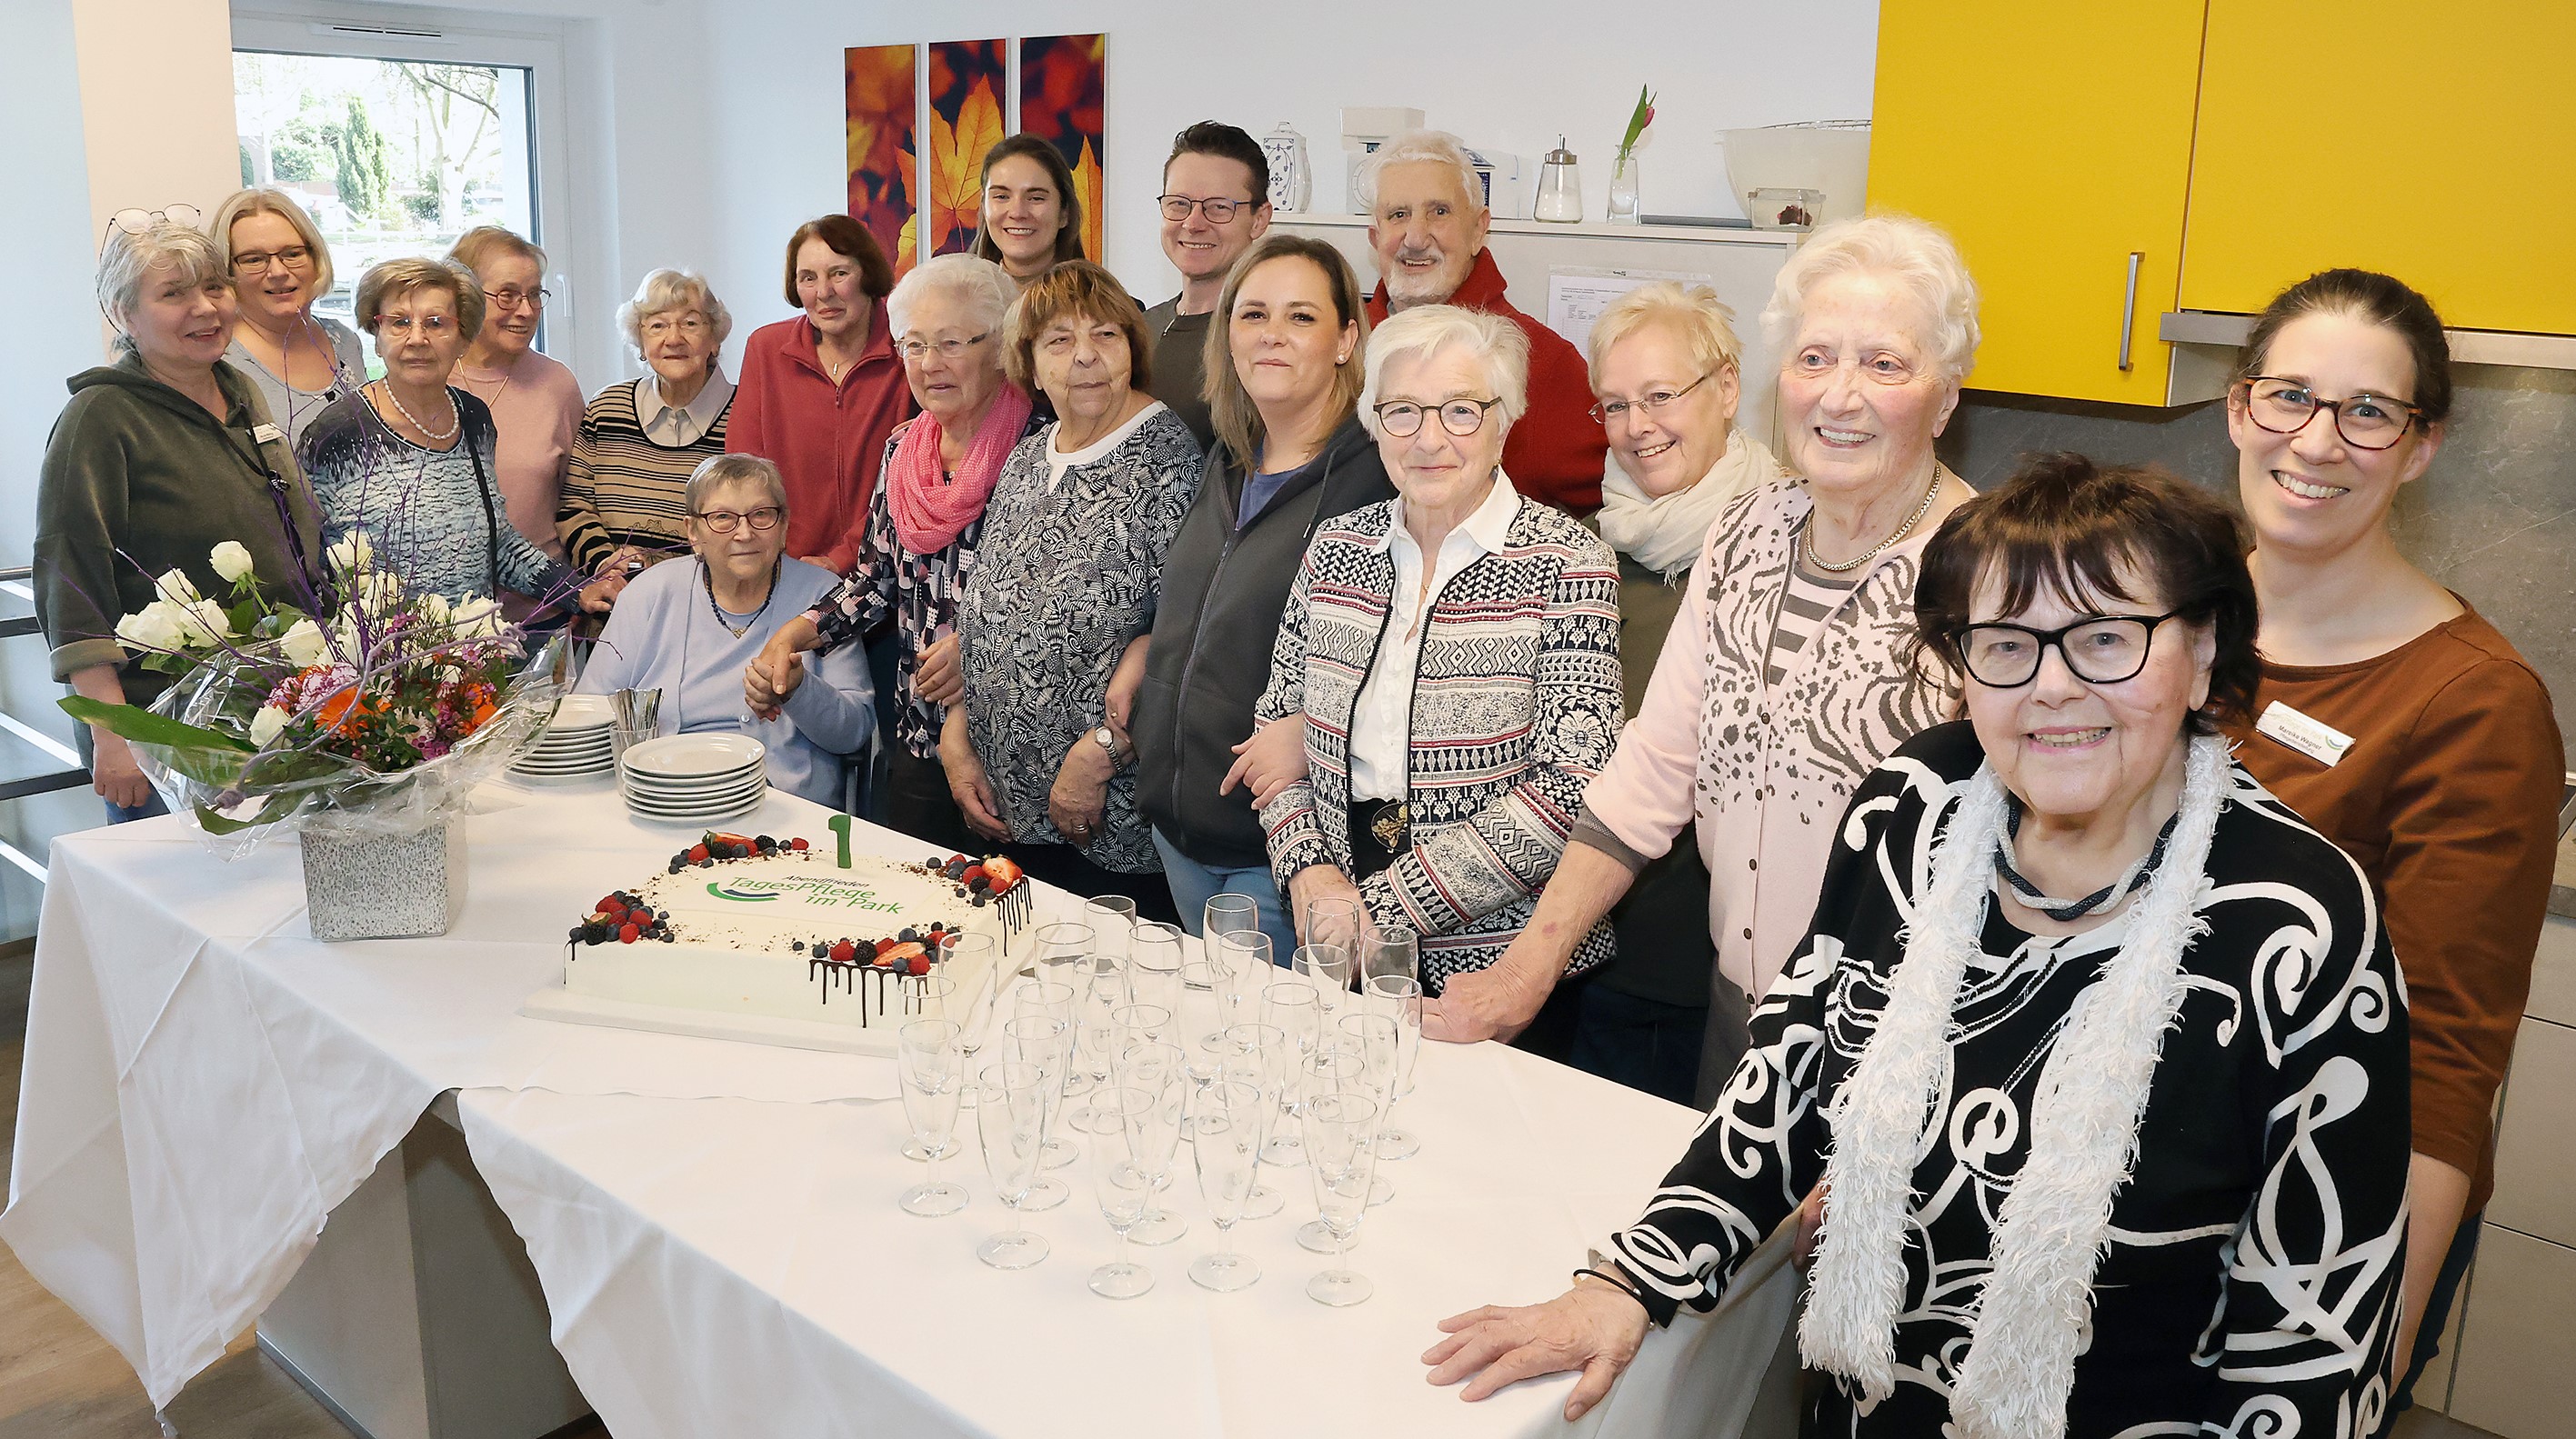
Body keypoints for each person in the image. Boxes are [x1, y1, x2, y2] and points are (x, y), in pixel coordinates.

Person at [1427, 455, 2411, 1437]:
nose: (2052, 688)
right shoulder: (1915, 804)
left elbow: (2312, 1331)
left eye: (2106, 638)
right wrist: (1630, 1281)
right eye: (2005, 644)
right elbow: (1793, 1068)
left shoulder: (2299, 921)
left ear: (2200, 651)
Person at [1428, 215, 1974, 1098]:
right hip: (1735, 1022)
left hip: (1896, 1048)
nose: (1839, 395)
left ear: (1945, 396)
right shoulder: (1746, 531)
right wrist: (1526, 968)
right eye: (1813, 358)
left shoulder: (1991, 573)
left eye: (1883, 363)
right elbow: (1653, 770)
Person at [2216, 268, 2562, 1409]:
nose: (2318, 440)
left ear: (2419, 446)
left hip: (2313, 1215)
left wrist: (2360, 1345)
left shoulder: (2472, 703)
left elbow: (2445, 1057)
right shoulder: (2169, 619)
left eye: (2368, 411)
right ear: (2238, 406)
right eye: (2289, 396)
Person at [1254, 305, 1622, 1033]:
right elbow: (1276, 728)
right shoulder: (1335, 547)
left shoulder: (1568, 562)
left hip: (1500, 966)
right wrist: (1311, 873)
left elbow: (1575, 783)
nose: (1429, 439)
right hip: (1337, 942)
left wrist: (1379, 907)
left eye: (1460, 410)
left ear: (1504, 419)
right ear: (1372, 421)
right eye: (1402, 411)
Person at [1129, 235, 1388, 965]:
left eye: (1301, 317)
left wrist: (1310, 723)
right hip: (1179, 830)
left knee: (1271, 1057)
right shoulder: (1225, 459)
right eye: (1253, 315)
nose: (1272, 333)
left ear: (1344, 340)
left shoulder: (1384, 475)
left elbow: (1427, 660)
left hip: (1281, 853)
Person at [1565, 282, 1781, 1104]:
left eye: (1660, 396)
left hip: (1714, 975)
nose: (1637, 427)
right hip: (1589, 944)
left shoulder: (1784, 542)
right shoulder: (1588, 545)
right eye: (1614, 405)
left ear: (1726, 389)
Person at [38, 215, 323, 821]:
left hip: (275, 713)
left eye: (214, 287)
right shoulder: (100, 416)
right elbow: (72, 582)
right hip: (166, 733)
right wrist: (112, 733)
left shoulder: (242, 391)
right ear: (124, 314)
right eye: (174, 293)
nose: (205, 308)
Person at [749, 255, 1037, 854]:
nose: (929, 364)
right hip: (917, 739)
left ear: (1001, 344)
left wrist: (980, 649)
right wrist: (792, 634)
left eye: (952, 343)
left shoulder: (1041, 448)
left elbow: (1057, 601)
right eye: (913, 345)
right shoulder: (903, 447)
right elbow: (872, 583)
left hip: (1015, 745)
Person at [944, 262, 1199, 917]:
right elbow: (993, 610)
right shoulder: (1032, 453)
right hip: (1009, 810)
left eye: (1106, 335)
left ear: (1131, 350)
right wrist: (960, 731)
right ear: (1027, 361)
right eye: (1058, 340)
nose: (1084, 356)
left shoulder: (1170, 459)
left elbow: (1185, 640)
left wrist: (1100, 755)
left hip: (1108, 820)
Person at [299, 259, 599, 610]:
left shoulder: (474, 418)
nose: (417, 339)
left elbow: (496, 543)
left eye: (436, 323)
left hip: (476, 654)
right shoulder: (336, 435)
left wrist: (575, 591)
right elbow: (313, 568)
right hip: (384, 657)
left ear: (462, 339)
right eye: (399, 323)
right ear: (377, 338)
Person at [582, 455, 871, 807]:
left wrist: (799, 690)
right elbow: (589, 712)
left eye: (761, 515)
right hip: (665, 798)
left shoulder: (824, 598)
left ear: (784, 526)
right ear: (693, 532)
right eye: (723, 518)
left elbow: (854, 733)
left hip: (783, 808)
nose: (744, 533)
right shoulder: (649, 594)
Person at [1359, 130, 1607, 516]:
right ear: (1375, 237)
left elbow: (1615, 505)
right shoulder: (1338, 347)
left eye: (1439, 212)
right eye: (1398, 215)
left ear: (1479, 230)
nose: (1415, 236)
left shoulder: (1544, 362)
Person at [727, 215, 914, 573]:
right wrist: (783, 562)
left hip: (886, 569)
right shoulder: (767, 349)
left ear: (868, 275)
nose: (823, 292)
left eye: (839, 273)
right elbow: (743, 468)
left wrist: (840, 558)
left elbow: (910, 477)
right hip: (785, 569)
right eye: (808, 278)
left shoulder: (907, 351)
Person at [556, 268, 735, 579]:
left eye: (690, 323)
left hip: (713, 606)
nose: (673, 338)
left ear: (715, 339)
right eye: (657, 325)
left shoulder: (746, 415)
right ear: (640, 341)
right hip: (616, 601)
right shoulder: (606, 409)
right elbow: (574, 507)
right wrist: (606, 563)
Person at [449, 225, 586, 576]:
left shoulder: (558, 385)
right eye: (507, 295)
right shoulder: (430, 382)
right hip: (442, 616)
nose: (526, 311)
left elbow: (581, 502)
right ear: (465, 297)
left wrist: (576, 590)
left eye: (534, 294)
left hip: (546, 605)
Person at [1141, 122, 1273, 447]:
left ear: (1259, 219)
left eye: (1218, 208)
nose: (1193, 223)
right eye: (1178, 204)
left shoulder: (1267, 338)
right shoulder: (1136, 329)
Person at [210, 188, 365, 449]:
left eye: (292, 254)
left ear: (315, 258)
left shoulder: (345, 342)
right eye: (254, 259)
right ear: (226, 270)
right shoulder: (216, 361)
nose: (278, 271)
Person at [971, 134, 1087, 287]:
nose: (1017, 213)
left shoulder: (1107, 309)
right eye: (1002, 196)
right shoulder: (955, 304)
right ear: (984, 208)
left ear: (1064, 212)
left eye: (1036, 198)